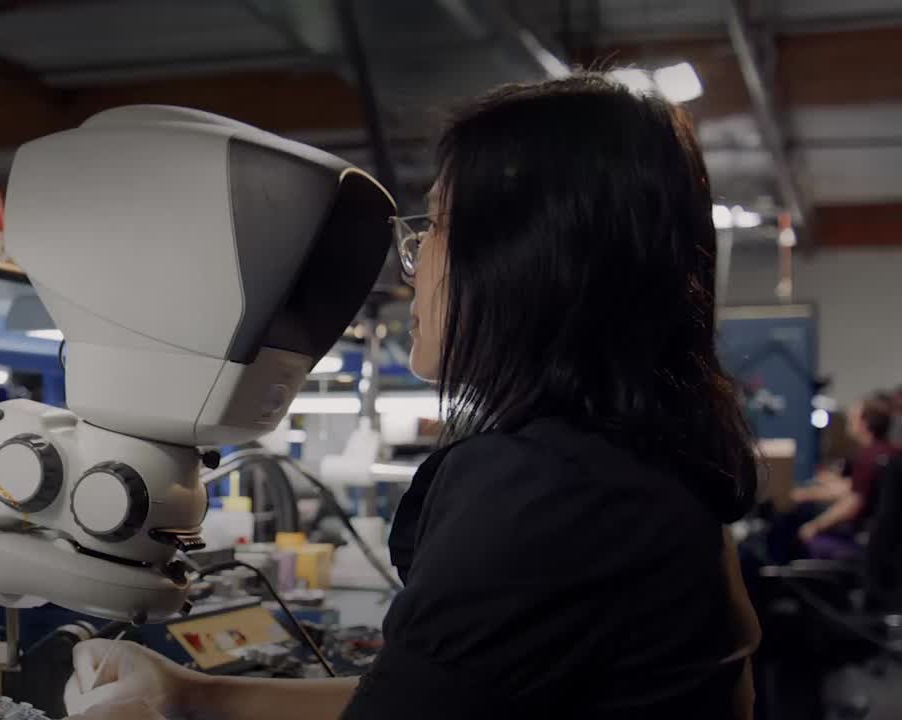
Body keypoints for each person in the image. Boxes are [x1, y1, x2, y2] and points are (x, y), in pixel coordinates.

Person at [64, 74, 762, 719]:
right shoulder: (628, 469)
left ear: (525, 258)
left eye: (438, 226)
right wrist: (189, 695)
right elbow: (426, 695)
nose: (414, 264)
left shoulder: (548, 492)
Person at [792, 394, 897, 559]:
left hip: (865, 543)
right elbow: (857, 488)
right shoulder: (890, 453)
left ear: (864, 423)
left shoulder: (868, 457)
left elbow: (853, 502)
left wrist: (814, 526)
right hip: (886, 542)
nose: (849, 419)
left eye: (853, 416)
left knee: (805, 540)